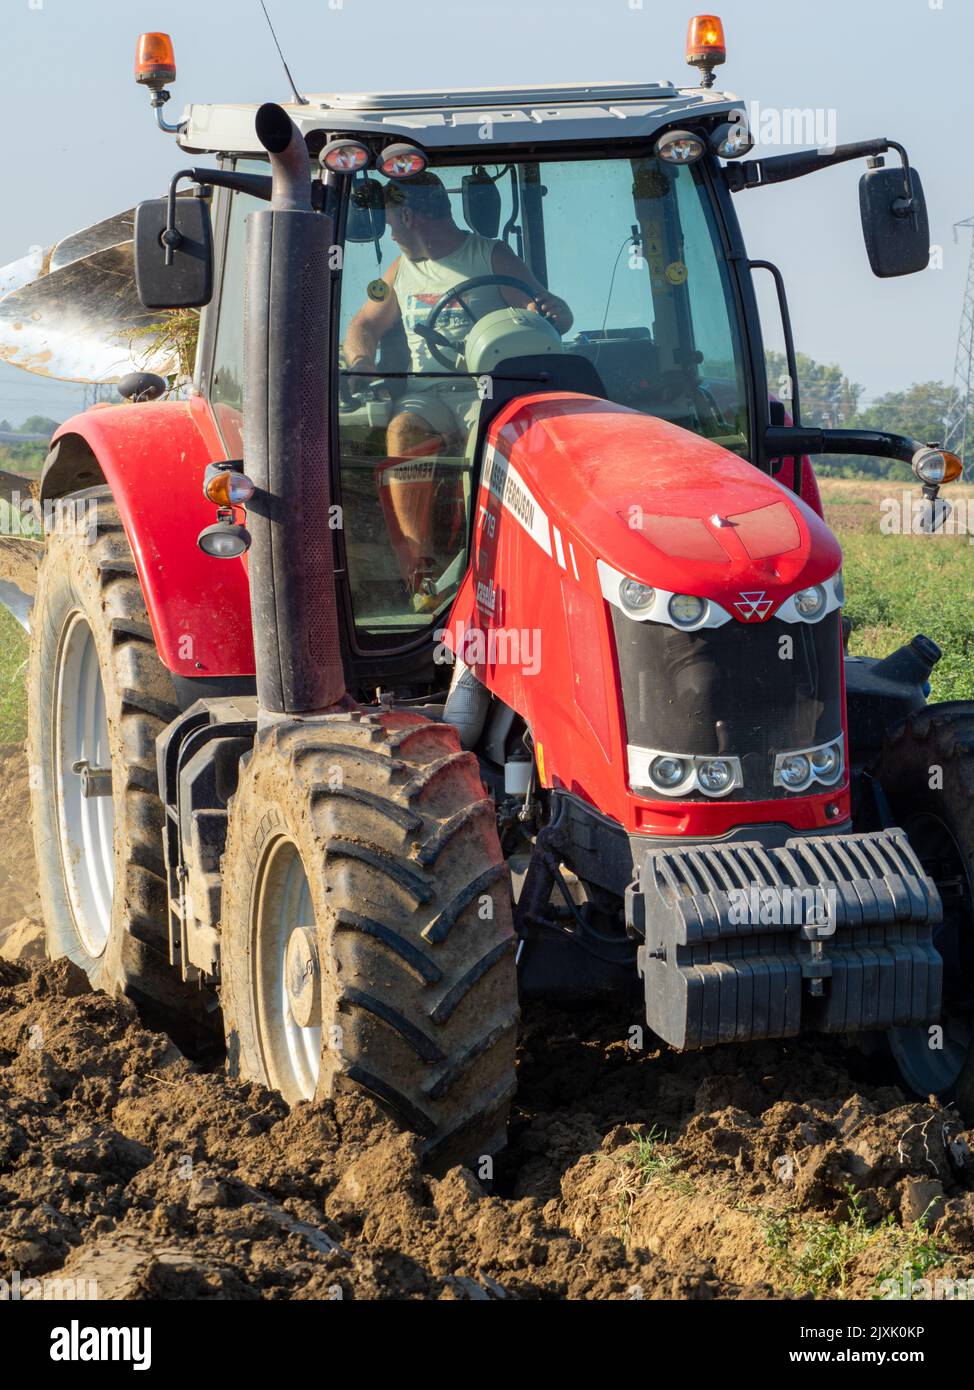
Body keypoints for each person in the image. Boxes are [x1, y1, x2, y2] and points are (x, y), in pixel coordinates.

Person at [343, 172, 572, 607]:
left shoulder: (489, 255)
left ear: (409, 216)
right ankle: (420, 574)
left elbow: (541, 311)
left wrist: (552, 311)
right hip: (427, 393)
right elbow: (363, 324)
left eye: (392, 222)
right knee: (403, 432)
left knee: (491, 444)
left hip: (484, 391)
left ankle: (496, 567)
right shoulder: (401, 271)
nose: (390, 233)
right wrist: (359, 361)